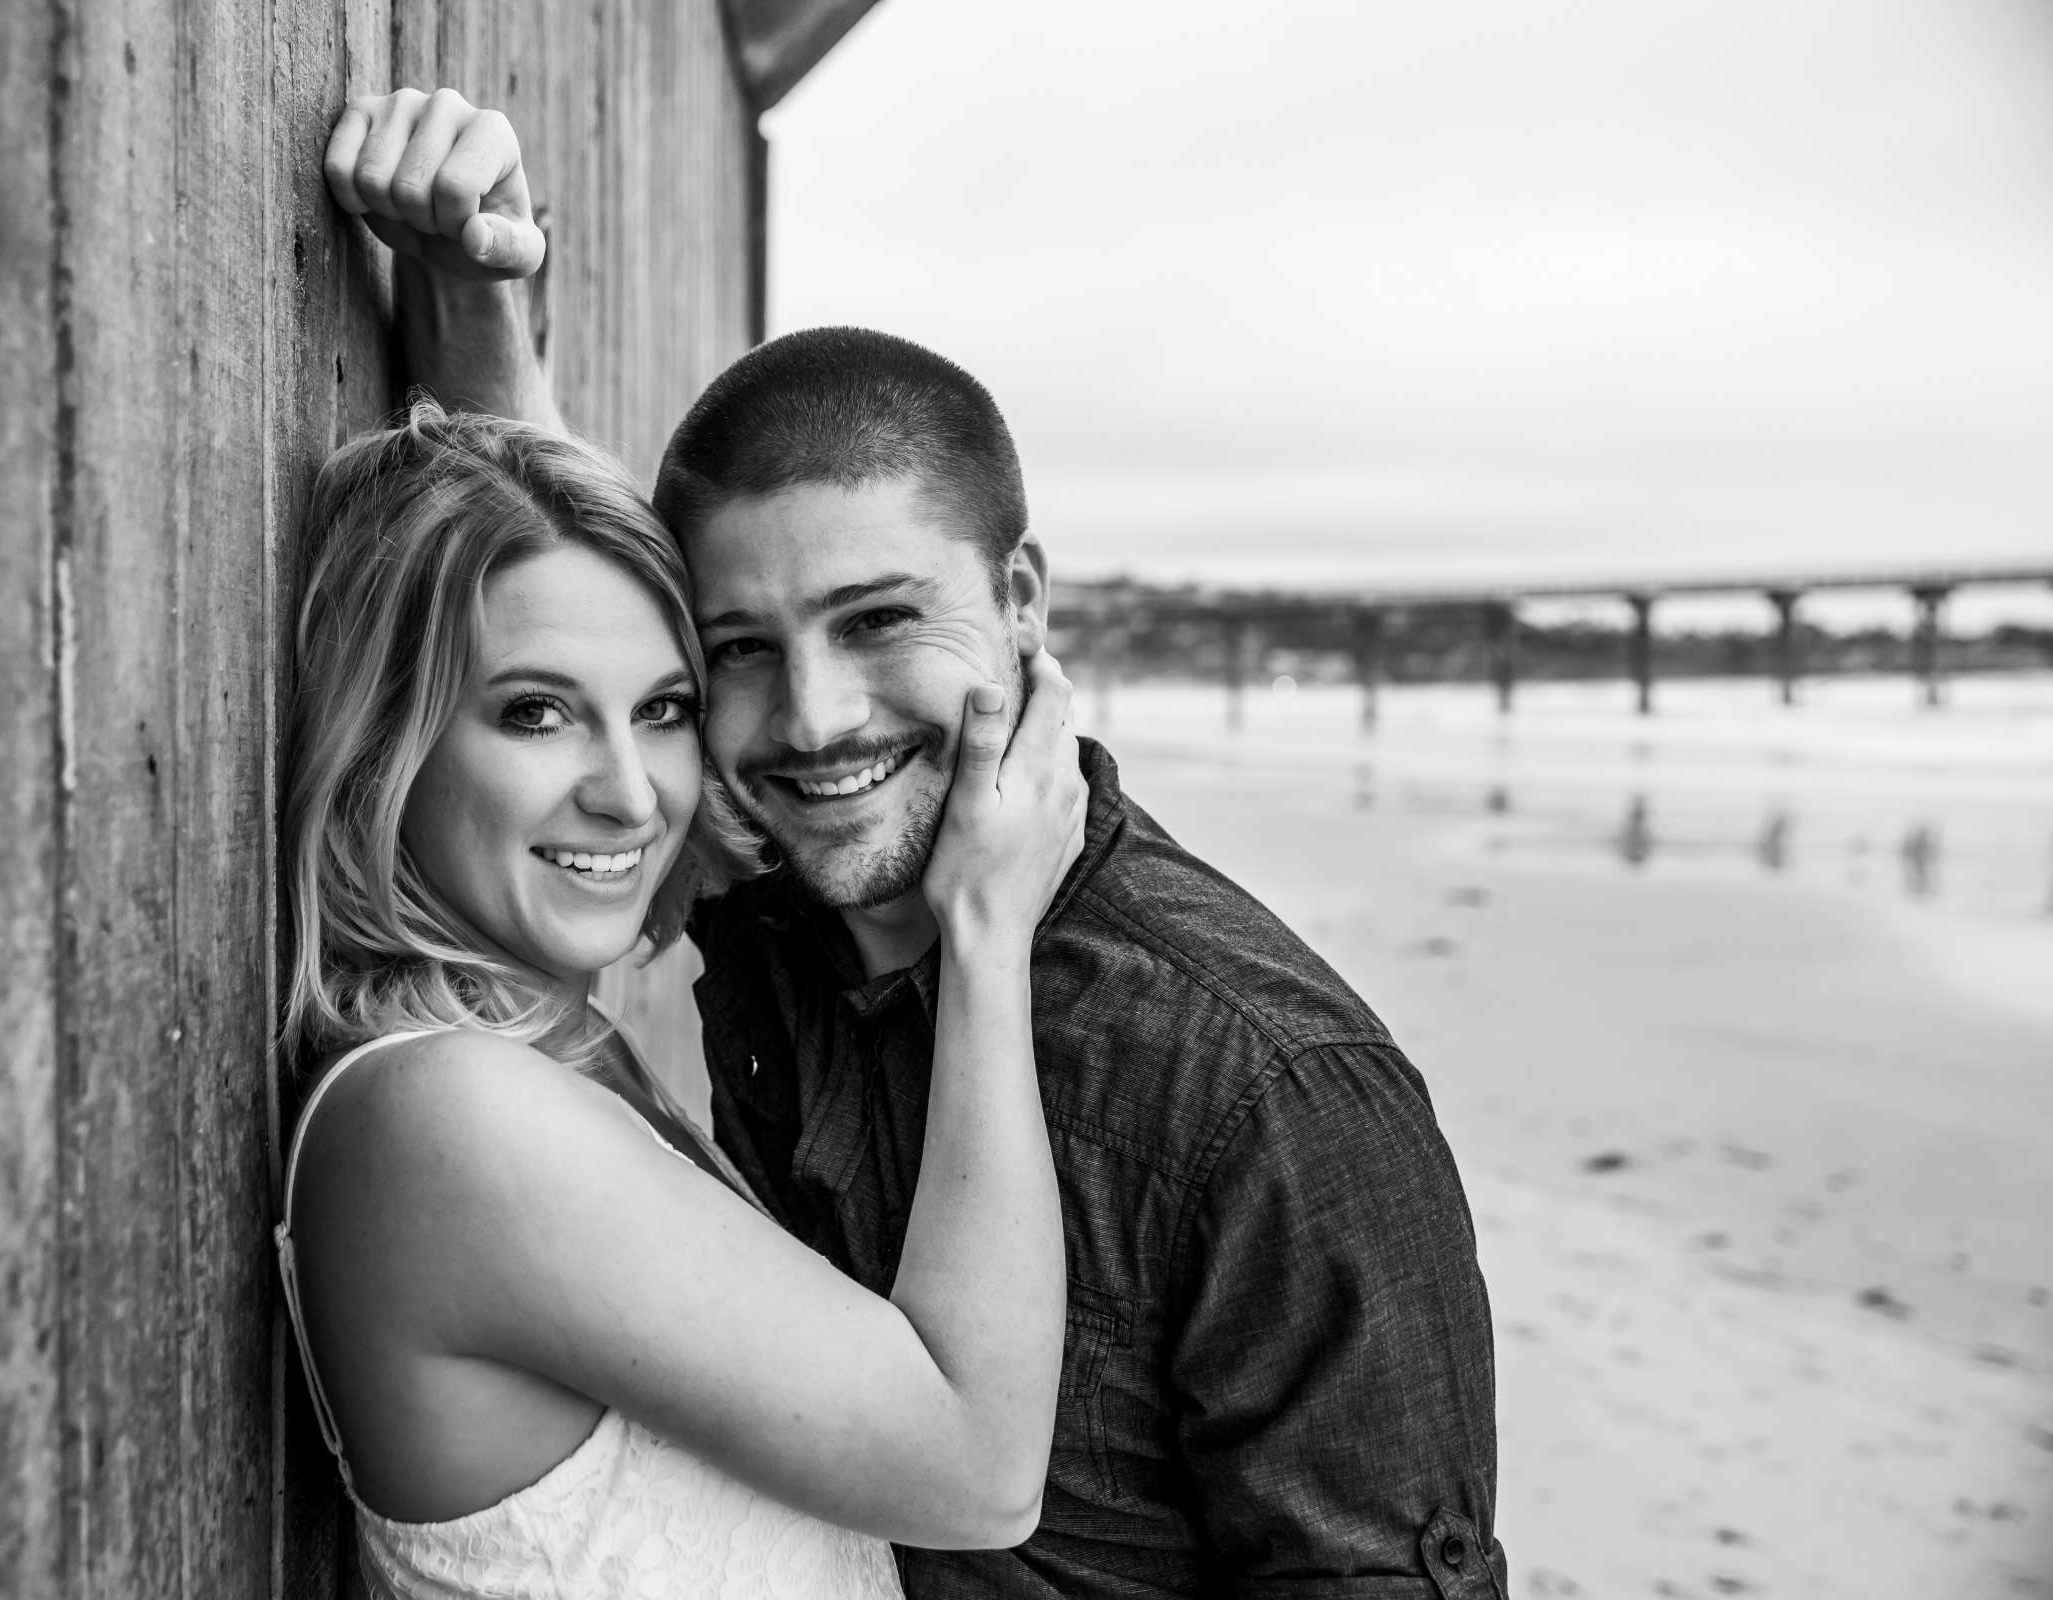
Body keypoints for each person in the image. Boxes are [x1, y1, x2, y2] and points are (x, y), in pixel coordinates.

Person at [329, 90, 1509, 1599]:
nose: (814, 721)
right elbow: (551, 691)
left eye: (882, 620)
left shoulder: (1266, 1093)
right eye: (742, 649)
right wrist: (476, 289)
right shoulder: (781, 894)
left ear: (1020, 602)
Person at [276, 399, 1088, 1596]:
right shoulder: (445, 1116)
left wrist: (484, 316)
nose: (632, 796)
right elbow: (981, 1470)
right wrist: (985, 926)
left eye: (661, 710)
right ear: (383, 739)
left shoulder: (524, 1050)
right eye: (535, 712)